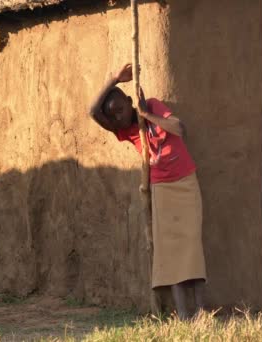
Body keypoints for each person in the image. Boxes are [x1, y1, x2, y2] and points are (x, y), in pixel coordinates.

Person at [88, 63, 207, 319]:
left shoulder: (151, 106)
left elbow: (179, 128)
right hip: (161, 188)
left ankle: (202, 311)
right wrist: (114, 79)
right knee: (170, 252)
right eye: (114, 115)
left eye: (121, 109)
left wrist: (147, 115)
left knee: (192, 247)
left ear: (130, 102)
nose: (119, 116)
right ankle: (184, 315)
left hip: (186, 182)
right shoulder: (122, 130)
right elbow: (92, 111)